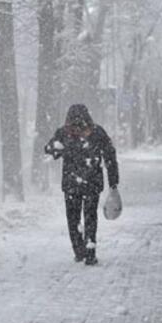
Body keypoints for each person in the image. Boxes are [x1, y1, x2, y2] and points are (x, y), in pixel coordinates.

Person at [45, 104, 119, 266]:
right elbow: (110, 157)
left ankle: (79, 250)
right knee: (90, 216)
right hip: (92, 182)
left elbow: (49, 150)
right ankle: (90, 250)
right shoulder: (97, 132)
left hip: (71, 183)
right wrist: (113, 182)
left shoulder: (64, 133)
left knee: (73, 217)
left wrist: (58, 148)